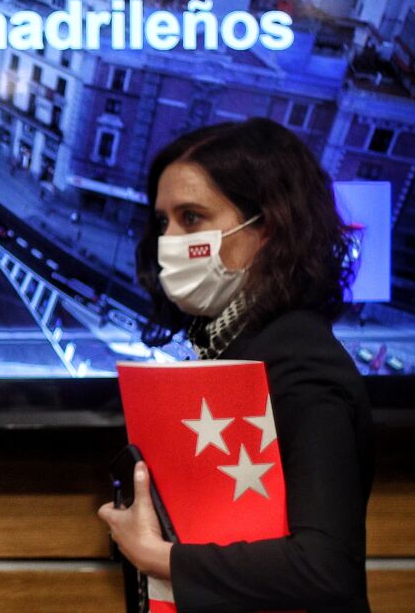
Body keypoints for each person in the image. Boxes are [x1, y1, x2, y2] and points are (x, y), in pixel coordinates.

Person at [98, 117, 372, 612]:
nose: (169, 240)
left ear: (268, 227)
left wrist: (157, 556)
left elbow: (325, 566)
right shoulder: (230, 346)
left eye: (191, 217)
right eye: (162, 222)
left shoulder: (301, 361)